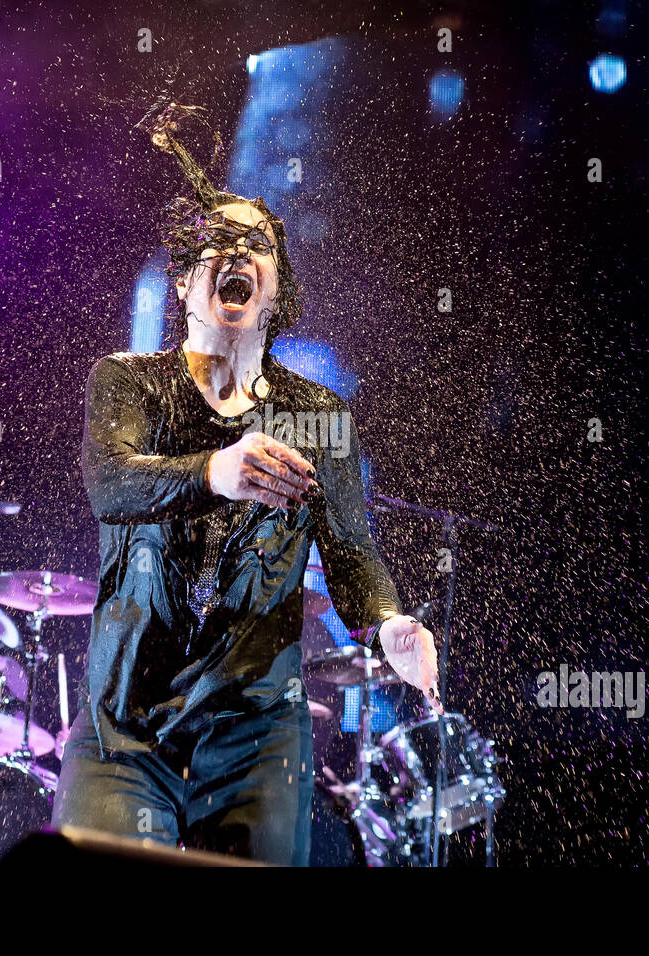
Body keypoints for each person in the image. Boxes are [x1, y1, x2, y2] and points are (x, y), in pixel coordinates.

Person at [50, 104, 439, 864]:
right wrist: (215, 470)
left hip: (258, 734)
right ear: (188, 288)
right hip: (123, 726)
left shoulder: (316, 414)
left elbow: (352, 552)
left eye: (255, 245)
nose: (236, 252)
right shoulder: (129, 383)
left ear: (274, 290)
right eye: (216, 246)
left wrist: (391, 622)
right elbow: (112, 486)